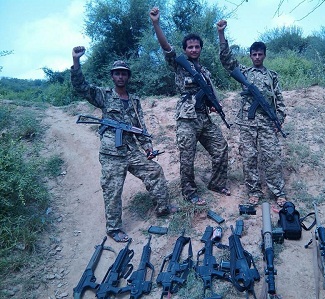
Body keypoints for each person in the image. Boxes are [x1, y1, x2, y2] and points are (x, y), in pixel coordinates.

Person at [71, 46, 173, 242]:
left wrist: (148, 147)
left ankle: (163, 207)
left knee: (154, 170)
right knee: (113, 189)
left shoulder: (134, 100)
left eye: (124, 74)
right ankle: (114, 228)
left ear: (128, 77)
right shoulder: (104, 95)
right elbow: (81, 87)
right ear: (112, 76)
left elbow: (139, 125)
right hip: (111, 152)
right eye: (117, 73)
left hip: (131, 150)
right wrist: (76, 61)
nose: (120, 77)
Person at [149, 7, 230, 205]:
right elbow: (166, 47)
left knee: (221, 148)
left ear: (200, 49)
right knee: (187, 157)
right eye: (190, 47)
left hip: (204, 117)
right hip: (187, 118)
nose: (194, 49)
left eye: (197, 47)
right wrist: (156, 24)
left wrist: (214, 104)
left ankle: (216, 184)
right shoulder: (180, 64)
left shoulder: (205, 71)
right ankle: (190, 193)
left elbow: (210, 93)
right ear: (185, 49)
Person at [217, 20, 287, 208]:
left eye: (260, 54)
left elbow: (279, 100)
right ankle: (253, 192)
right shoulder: (244, 72)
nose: (257, 57)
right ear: (250, 56)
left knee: (271, 157)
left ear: (264, 55)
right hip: (247, 124)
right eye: (254, 54)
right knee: (248, 158)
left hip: (266, 123)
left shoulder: (272, 76)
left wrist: (278, 120)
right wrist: (221, 34)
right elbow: (226, 59)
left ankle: (278, 192)